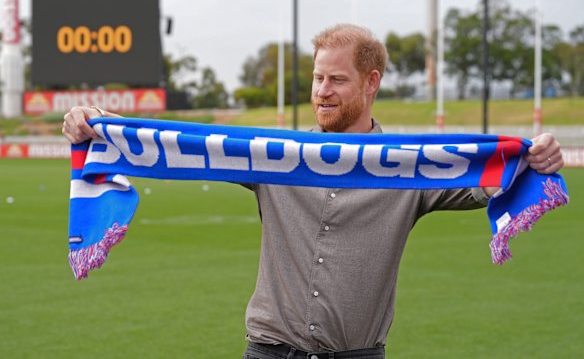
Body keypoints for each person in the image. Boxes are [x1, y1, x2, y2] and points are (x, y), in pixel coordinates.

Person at [63, 24, 564, 359]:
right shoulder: (272, 154)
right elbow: (182, 142)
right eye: (318, 77)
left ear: (371, 82)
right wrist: (100, 125)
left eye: (336, 79)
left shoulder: (414, 166)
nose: (321, 90)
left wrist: (535, 155)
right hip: (268, 350)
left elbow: (493, 177)